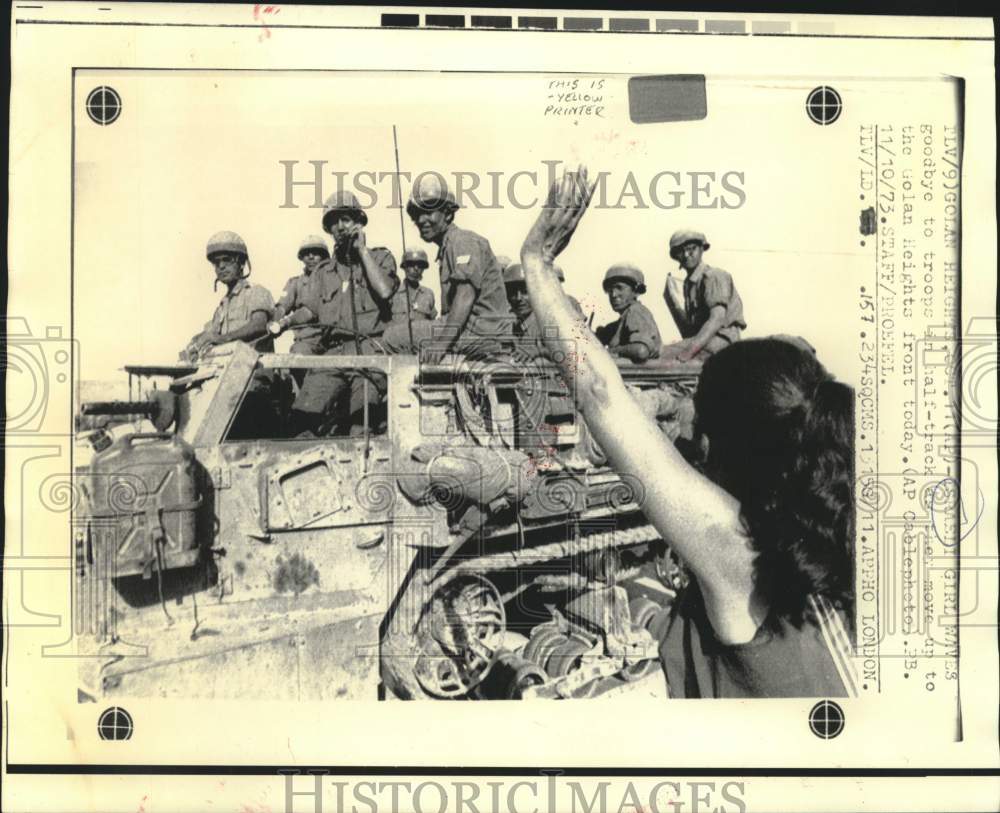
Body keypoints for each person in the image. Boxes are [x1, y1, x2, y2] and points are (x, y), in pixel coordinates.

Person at [519, 166, 857, 698]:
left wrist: (536, 264)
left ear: (729, 446)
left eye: (701, 426)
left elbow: (600, 393)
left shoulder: (739, 556)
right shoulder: (846, 525)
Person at [275, 190, 397, 437]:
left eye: (346, 220)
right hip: (332, 355)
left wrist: (362, 252)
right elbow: (310, 310)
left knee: (360, 431)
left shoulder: (380, 257)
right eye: (333, 222)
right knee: (300, 422)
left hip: (369, 353)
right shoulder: (324, 271)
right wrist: (283, 323)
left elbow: (384, 291)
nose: (340, 227)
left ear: (359, 222)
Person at [382, 175, 511, 363]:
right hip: (479, 330)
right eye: (417, 215)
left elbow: (465, 295)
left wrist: (441, 344)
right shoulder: (449, 246)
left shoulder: (461, 240)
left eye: (429, 212)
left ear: (448, 214)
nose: (422, 220)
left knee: (392, 338)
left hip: (481, 332)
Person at [181, 231, 274, 362]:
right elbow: (210, 334)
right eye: (216, 263)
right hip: (228, 369)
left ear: (241, 263)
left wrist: (222, 339)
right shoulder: (222, 307)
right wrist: (194, 343)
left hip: (254, 368)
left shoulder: (256, 292)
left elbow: (258, 325)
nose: (221, 266)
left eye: (227, 260)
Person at [661, 230, 746, 362]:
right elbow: (691, 329)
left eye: (691, 249)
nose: (686, 255)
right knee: (662, 352)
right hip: (704, 339)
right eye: (680, 251)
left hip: (722, 340)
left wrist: (688, 352)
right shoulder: (689, 284)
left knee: (664, 355)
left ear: (701, 249)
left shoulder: (713, 276)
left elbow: (717, 319)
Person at [271, 234, 330, 356]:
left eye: (316, 253)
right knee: (299, 357)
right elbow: (282, 307)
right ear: (302, 258)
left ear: (324, 257)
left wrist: (286, 322)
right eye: (307, 254)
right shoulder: (296, 282)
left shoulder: (332, 280)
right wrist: (275, 323)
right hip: (306, 340)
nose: (311, 257)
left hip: (330, 339)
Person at [594, 264, 661, 364]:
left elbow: (641, 350)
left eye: (619, 288)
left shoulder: (635, 312)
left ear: (636, 291)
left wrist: (609, 352)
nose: (613, 294)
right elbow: (607, 333)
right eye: (610, 290)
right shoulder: (623, 319)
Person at [388, 247, 437, 343]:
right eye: (411, 265)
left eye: (420, 265)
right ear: (404, 267)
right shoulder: (392, 292)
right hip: (397, 347)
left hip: (420, 346)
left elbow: (432, 322)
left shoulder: (428, 294)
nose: (416, 269)